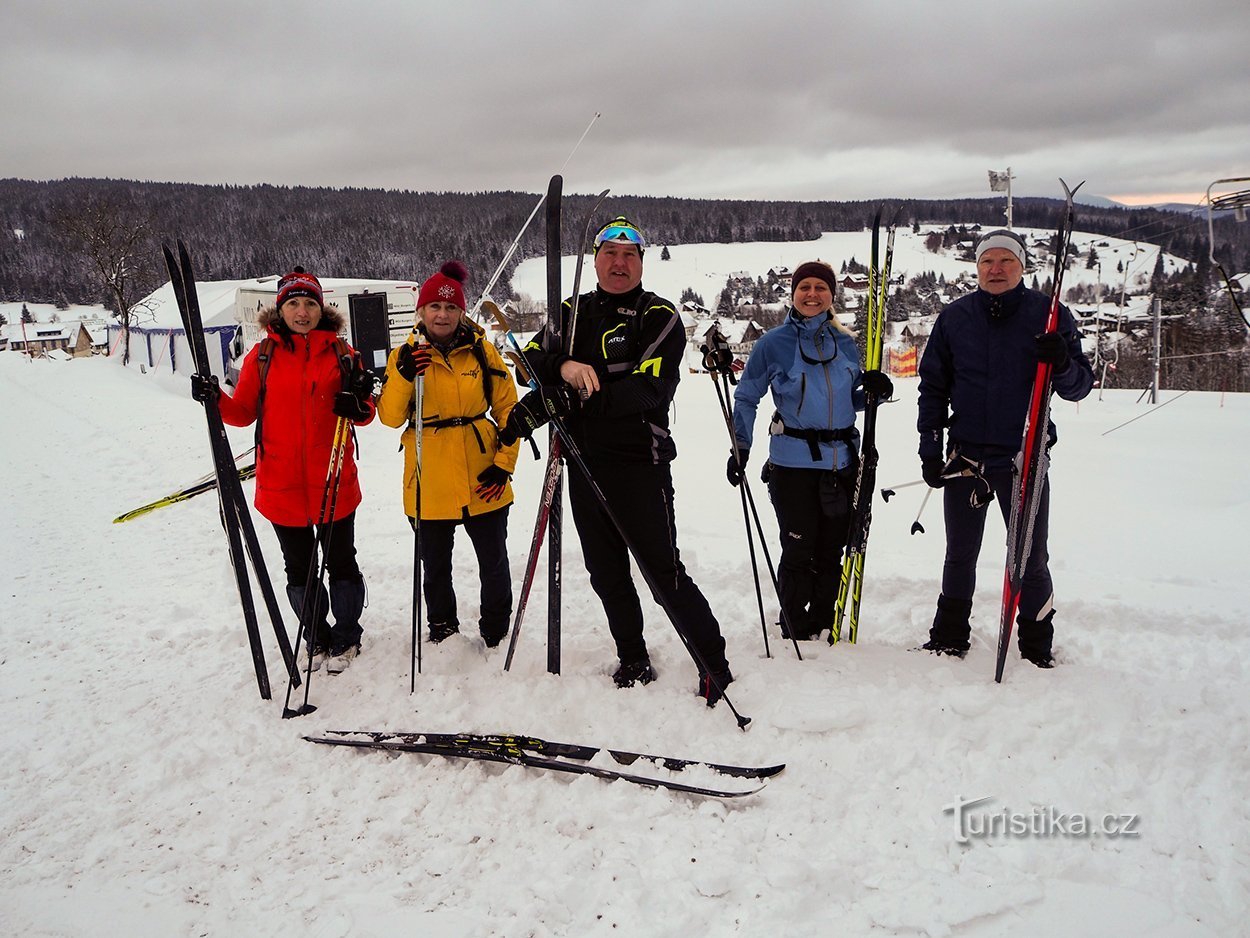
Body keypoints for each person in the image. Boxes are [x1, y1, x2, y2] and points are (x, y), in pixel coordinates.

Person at [497, 216, 735, 705]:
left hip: (638, 466)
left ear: (642, 263)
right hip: (583, 464)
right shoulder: (571, 312)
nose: (619, 263)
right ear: (597, 260)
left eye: (629, 255)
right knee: (605, 572)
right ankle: (632, 657)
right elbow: (526, 361)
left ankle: (713, 662)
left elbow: (649, 390)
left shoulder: (659, 316)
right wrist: (563, 366)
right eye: (610, 253)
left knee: (661, 570)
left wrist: (575, 397)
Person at [916, 228, 1093, 667]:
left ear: (1022, 265)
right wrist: (929, 447)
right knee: (960, 553)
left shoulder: (1049, 315)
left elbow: (1079, 388)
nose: (996, 269)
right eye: (987, 262)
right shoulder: (955, 318)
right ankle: (949, 636)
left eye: (1005, 261)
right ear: (976, 268)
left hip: (1023, 457)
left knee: (1029, 557)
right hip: (966, 459)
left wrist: (1063, 362)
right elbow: (933, 388)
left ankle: (1036, 645)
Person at [191, 266, 376, 673]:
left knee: (342, 562)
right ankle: (317, 636)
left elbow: (365, 414)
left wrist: (359, 402)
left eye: (310, 302)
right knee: (299, 568)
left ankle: (347, 636)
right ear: (281, 309)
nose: (303, 311)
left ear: (321, 307)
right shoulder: (263, 355)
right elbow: (241, 414)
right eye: (294, 303)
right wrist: (213, 398)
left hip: (334, 481)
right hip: (281, 486)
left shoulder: (344, 354)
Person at [729, 260, 893, 640]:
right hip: (793, 463)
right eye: (805, 287)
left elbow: (848, 401)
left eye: (821, 288)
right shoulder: (773, 344)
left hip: (844, 462)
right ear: (793, 293)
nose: (812, 294)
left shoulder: (847, 344)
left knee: (832, 548)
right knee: (799, 547)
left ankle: (824, 617)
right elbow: (747, 396)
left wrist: (876, 394)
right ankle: (795, 622)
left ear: (831, 295)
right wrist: (741, 445)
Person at [376, 261, 519, 648]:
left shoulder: (482, 351)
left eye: (451, 308)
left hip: (482, 471)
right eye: (435, 307)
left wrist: (504, 464)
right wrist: (404, 376)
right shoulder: (403, 355)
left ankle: (496, 628)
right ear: (421, 312)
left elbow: (509, 410)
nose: (443, 314)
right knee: (435, 566)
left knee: (494, 563)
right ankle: (442, 627)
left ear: (461, 311)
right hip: (428, 476)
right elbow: (388, 418)